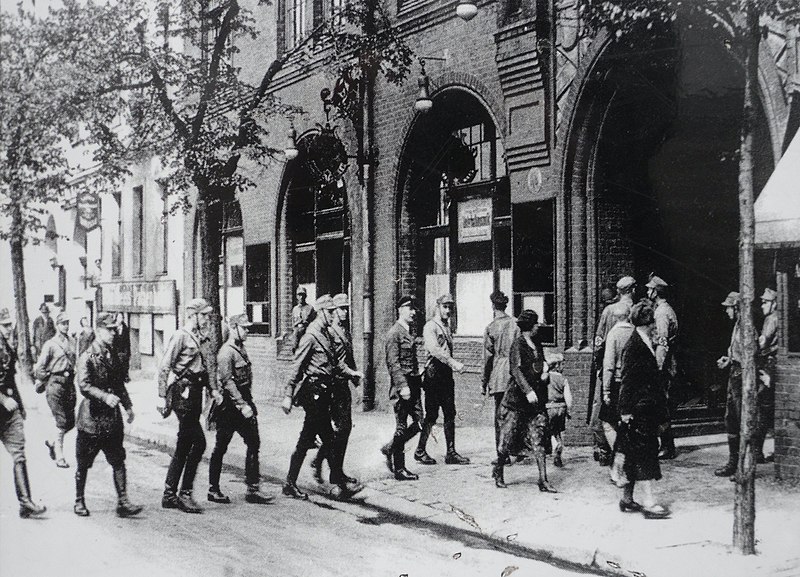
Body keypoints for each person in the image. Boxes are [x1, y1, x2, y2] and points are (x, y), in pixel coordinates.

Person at [282, 295, 364, 501]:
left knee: (314, 440)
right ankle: (332, 482)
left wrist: (352, 374)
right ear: (321, 313)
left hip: (324, 392)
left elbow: (335, 364)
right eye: (329, 312)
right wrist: (288, 395)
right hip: (314, 393)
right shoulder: (311, 336)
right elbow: (296, 366)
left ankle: (296, 482)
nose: (332, 315)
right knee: (320, 439)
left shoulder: (325, 334)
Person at [73, 312, 143, 518]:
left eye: (115, 329)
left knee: (118, 459)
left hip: (111, 420)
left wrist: (128, 407)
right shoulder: (87, 357)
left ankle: (123, 502)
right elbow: (84, 386)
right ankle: (79, 501)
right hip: (91, 420)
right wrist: (104, 397)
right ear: (99, 330)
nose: (114, 333)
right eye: (110, 329)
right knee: (83, 462)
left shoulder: (114, 354)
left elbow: (119, 384)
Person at [158, 297, 222, 513]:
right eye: (203, 315)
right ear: (192, 315)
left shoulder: (201, 338)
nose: (206, 319)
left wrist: (213, 389)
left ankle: (170, 494)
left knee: (185, 444)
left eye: (207, 315)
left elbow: (208, 366)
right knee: (198, 442)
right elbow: (165, 365)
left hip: (195, 394)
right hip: (182, 394)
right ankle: (184, 493)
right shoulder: (181, 336)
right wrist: (160, 396)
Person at [207, 314, 274, 505]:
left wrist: (247, 403)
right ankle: (213, 489)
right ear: (234, 328)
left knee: (254, 442)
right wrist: (242, 405)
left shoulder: (240, 349)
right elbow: (227, 381)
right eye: (244, 328)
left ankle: (253, 489)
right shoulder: (226, 353)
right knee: (221, 447)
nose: (247, 331)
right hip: (230, 406)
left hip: (244, 401)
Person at [617, 300, 670, 519]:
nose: (656, 326)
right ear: (647, 322)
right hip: (640, 409)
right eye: (653, 322)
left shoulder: (643, 342)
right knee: (646, 453)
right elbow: (628, 380)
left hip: (644, 407)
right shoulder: (635, 346)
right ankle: (649, 503)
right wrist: (626, 410)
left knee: (632, 453)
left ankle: (627, 499)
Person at [493, 310, 555, 491]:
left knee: (539, 439)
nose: (538, 327)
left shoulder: (537, 343)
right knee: (507, 439)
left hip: (536, 402)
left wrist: (544, 372)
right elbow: (515, 370)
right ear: (529, 326)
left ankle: (543, 480)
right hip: (517, 401)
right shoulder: (517, 344)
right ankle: (499, 472)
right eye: (536, 324)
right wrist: (527, 390)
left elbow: (541, 363)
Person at [311, 293, 362, 490]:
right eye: (341, 309)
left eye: (346, 309)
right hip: (333, 386)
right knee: (340, 430)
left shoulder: (344, 331)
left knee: (342, 430)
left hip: (343, 385)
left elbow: (349, 358)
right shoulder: (330, 332)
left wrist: (356, 382)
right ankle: (334, 472)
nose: (344, 313)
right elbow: (335, 361)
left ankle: (325, 464)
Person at [0, 308, 47, 519]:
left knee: (19, 454)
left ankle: (25, 502)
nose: (9, 329)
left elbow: (10, 378)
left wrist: (19, 404)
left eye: (10, 324)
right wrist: (2, 399)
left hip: (10, 413)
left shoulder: (8, 347)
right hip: (3, 405)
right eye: (4, 325)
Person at [415, 294, 469, 465]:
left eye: (450, 307)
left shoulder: (445, 327)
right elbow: (435, 349)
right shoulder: (430, 326)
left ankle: (451, 452)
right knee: (431, 415)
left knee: (450, 413)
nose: (448, 310)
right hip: (433, 375)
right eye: (445, 307)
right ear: (437, 307)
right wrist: (454, 363)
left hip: (445, 374)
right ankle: (420, 450)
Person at [592, 277, 636, 465]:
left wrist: (599, 362)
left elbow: (598, 340)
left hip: (610, 367)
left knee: (604, 411)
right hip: (632, 371)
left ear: (619, 291)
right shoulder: (639, 309)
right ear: (633, 289)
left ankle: (604, 450)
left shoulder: (609, 311)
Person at [380, 296, 423, 481]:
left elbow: (409, 360)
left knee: (420, 421)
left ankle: (390, 447)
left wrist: (417, 372)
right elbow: (393, 363)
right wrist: (403, 386)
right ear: (400, 310)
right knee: (402, 426)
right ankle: (400, 469)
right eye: (409, 308)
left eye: (414, 308)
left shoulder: (408, 331)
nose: (413, 312)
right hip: (402, 386)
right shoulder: (394, 333)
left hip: (413, 384)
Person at [34, 312, 77, 468]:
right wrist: (47, 379)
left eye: (67, 323)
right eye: (63, 323)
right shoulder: (50, 344)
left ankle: (53, 443)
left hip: (69, 385)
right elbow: (39, 368)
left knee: (71, 422)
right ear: (58, 325)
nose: (66, 325)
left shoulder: (72, 341)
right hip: (56, 385)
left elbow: (73, 361)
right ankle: (59, 456)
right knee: (61, 421)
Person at [714, 291, 749, 477]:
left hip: (741, 375)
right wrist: (728, 360)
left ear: (736, 308)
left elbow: (751, 354)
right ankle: (733, 463)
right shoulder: (737, 325)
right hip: (734, 373)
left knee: (741, 418)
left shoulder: (746, 327)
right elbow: (736, 352)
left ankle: (743, 466)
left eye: (728, 308)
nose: (726, 311)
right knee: (731, 419)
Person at [481, 290, 518, 465]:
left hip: (498, 375)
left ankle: (502, 455)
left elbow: (488, 358)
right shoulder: (516, 324)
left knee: (500, 416)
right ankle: (516, 449)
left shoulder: (491, 327)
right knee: (515, 413)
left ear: (493, 306)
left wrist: (484, 381)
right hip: (515, 374)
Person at [646, 275, 679, 460]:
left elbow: (662, 343)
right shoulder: (664, 309)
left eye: (650, 289)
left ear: (655, 292)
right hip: (666, 364)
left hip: (663, 366)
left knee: (661, 405)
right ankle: (665, 444)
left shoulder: (661, 313)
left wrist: (657, 368)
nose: (647, 292)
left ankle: (667, 446)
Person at [602, 309, 636, 485]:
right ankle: (621, 462)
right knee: (626, 425)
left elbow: (608, 364)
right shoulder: (635, 332)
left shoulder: (613, 334)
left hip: (616, 383)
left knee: (608, 423)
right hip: (632, 383)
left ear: (615, 318)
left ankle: (618, 462)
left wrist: (606, 390)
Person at [755, 287, 778, 463]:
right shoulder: (776, 318)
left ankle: (757, 452)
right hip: (772, 365)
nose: (762, 305)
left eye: (765, 302)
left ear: (774, 303)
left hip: (769, 366)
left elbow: (763, 343)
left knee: (764, 408)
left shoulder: (771, 319)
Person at [544, 353, 572, 468]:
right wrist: (568, 410)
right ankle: (558, 453)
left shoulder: (545, 377)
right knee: (558, 432)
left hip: (548, 408)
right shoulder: (563, 379)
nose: (563, 367)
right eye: (562, 364)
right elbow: (568, 397)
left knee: (546, 432)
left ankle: (547, 451)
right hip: (561, 408)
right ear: (556, 366)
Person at [291, 287, 315, 352]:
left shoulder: (310, 308)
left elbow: (313, 322)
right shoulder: (295, 309)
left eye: (302, 295)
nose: (301, 297)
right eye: (299, 295)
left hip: (306, 332)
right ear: (296, 296)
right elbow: (293, 323)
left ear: (306, 296)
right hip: (297, 334)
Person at [114, 312, 131, 383]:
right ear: (116, 318)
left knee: (124, 366)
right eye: (119, 317)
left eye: (121, 318)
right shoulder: (113, 328)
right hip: (115, 351)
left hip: (123, 351)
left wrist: (128, 352)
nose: (120, 319)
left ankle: (124, 378)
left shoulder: (125, 328)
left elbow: (128, 341)